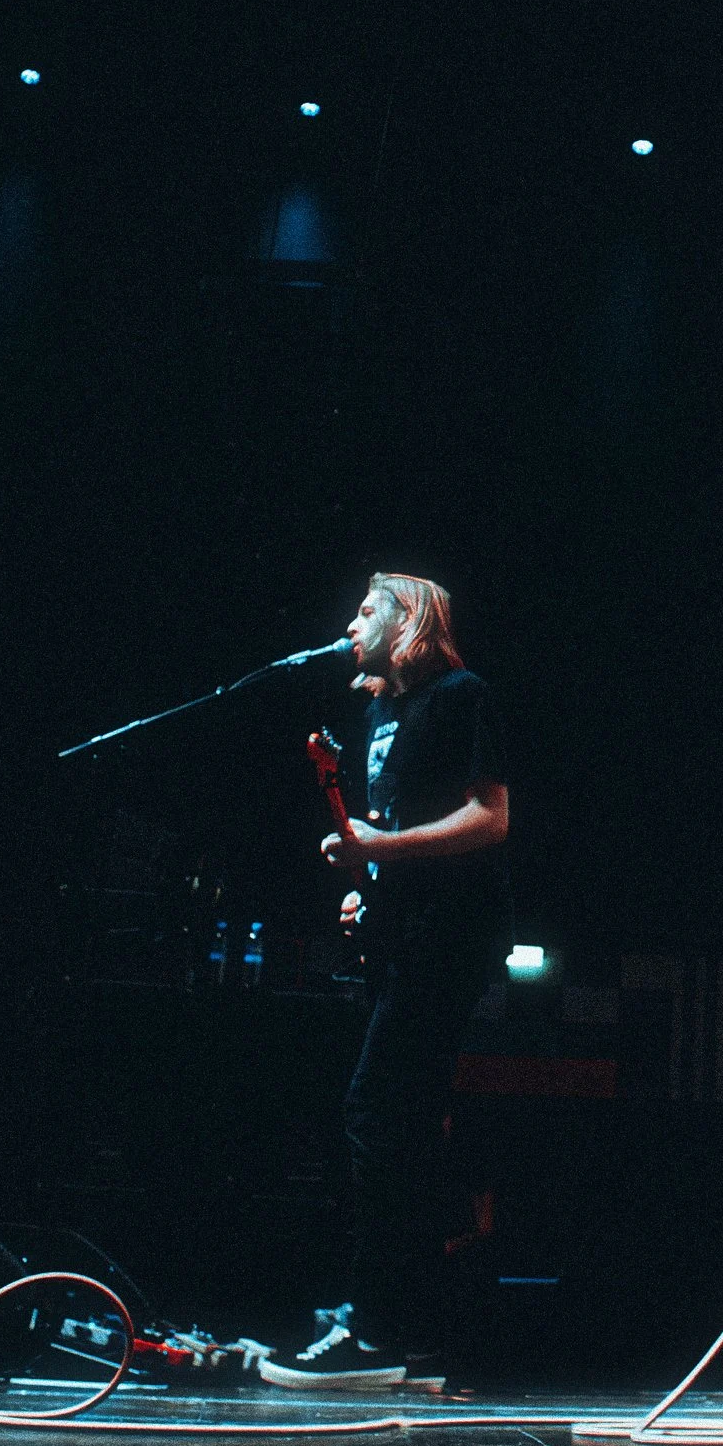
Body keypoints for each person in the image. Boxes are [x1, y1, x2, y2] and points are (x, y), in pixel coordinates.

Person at [256, 570, 511, 1390]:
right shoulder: (375, 713)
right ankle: (410, 1324)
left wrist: (381, 852)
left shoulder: (460, 697)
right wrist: (371, 889)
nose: (351, 624)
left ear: (410, 621)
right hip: (405, 933)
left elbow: (490, 817)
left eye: (368, 610)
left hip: (451, 938)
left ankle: (378, 1333)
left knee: (378, 1112)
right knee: (404, 1127)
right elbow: (394, 831)